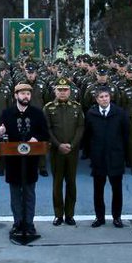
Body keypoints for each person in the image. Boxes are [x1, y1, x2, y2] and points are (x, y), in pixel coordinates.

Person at [0, 82, 49, 242]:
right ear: (16, 95)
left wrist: (37, 138)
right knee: (15, 194)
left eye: (28, 94)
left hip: (31, 160)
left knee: (29, 193)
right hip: (13, 161)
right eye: (22, 93)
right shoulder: (7, 113)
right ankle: (17, 222)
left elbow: (44, 133)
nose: (25, 96)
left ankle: (29, 223)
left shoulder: (37, 113)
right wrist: (0, 131)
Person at [84, 86, 127, 227]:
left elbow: (126, 135)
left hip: (116, 157)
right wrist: (91, 155)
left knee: (117, 190)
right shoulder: (91, 114)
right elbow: (88, 136)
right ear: (96, 99)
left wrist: (123, 154)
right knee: (98, 190)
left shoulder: (119, 113)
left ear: (110, 97)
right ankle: (100, 217)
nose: (104, 99)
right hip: (98, 158)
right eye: (101, 97)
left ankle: (117, 217)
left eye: (106, 96)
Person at [44, 77, 85, 226]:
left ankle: (70, 214)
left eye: (65, 90)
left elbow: (81, 127)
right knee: (57, 183)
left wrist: (72, 145)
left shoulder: (76, 107)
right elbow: (47, 129)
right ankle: (58, 214)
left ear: (70, 91)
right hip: (56, 151)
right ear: (55, 91)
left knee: (71, 182)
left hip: (72, 151)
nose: (62, 92)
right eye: (59, 90)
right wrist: (58, 145)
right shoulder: (48, 108)